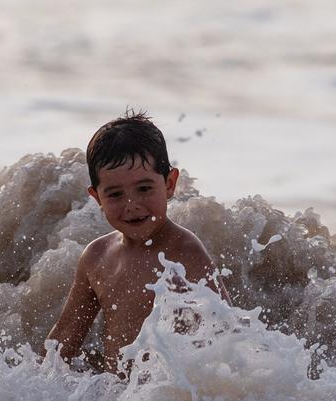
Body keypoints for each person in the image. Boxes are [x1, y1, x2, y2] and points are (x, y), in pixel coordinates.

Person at [45, 110, 229, 374]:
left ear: (169, 183)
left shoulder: (185, 253)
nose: (131, 205)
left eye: (144, 189)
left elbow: (228, 336)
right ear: (96, 197)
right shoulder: (97, 257)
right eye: (116, 194)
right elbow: (64, 340)